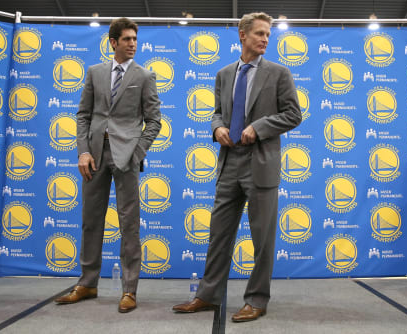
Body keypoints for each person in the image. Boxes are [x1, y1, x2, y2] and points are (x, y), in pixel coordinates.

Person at [172, 12, 301, 322]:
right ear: (242, 36)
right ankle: (207, 295)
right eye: (259, 33)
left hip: (261, 164)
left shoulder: (279, 73)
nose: (265, 39)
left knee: (262, 239)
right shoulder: (224, 74)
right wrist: (217, 128)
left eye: (268, 34)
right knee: (218, 235)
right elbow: (218, 113)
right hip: (229, 162)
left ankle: (257, 299)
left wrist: (259, 127)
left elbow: (293, 114)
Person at [55, 18, 161, 313]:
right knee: (91, 221)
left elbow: (154, 121)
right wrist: (83, 152)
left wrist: (137, 152)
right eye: (126, 39)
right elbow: (83, 116)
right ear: (112, 42)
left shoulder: (145, 76)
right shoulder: (94, 73)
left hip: (126, 157)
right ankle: (88, 283)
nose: (132, 44)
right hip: (94, 156)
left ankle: (129, 290)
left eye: (135, 39)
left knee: (129, 224)